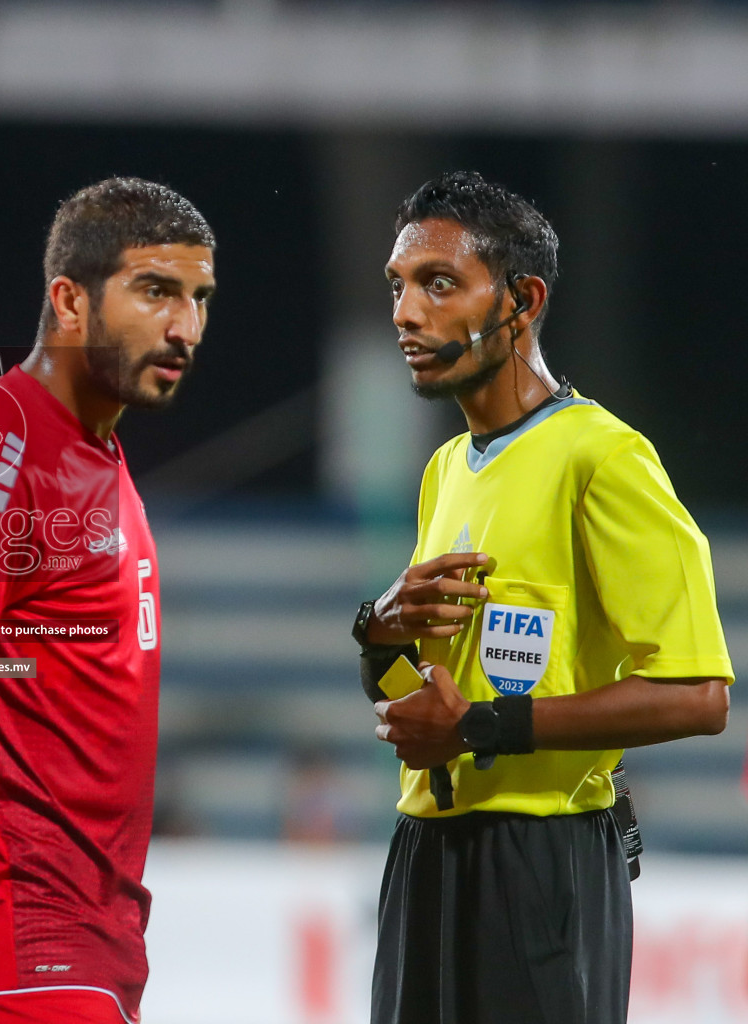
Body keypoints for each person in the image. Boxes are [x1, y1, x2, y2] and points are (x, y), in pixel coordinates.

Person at [355, 170, 733, 1024]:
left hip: (544, 858)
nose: (406, 313)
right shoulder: (446, 469)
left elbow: (698, 697)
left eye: (439, 283)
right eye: (399, 286)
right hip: (425, 854)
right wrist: (377, 642)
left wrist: (483, 728)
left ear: (521, 300)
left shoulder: (604, 457)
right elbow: (425, 694)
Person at [0, 177, 216, 1024]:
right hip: (22, 938)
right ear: (69, 300)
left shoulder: (95, 452)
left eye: (199, 299)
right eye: (156, 292)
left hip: (94, 935)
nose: (185, 328)